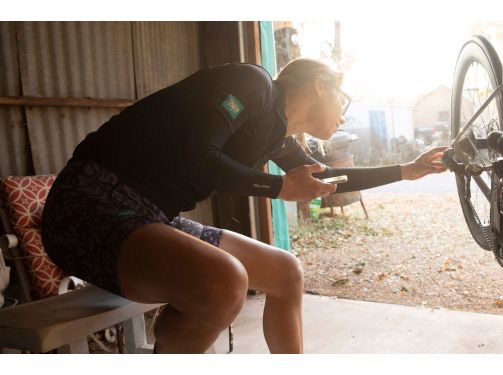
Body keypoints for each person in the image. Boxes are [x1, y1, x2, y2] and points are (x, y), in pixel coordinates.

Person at [41, 59, 448, 353]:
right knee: (225, 282)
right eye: (344, 99)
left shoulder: (276, 137)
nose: (344, 115)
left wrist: (407, 169)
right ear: (320, 84)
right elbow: (196, 154)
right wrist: (278, 186)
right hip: (89, 203)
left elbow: (325, 178)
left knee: (286, 272)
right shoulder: (252, 84)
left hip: (149, 217)